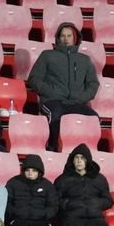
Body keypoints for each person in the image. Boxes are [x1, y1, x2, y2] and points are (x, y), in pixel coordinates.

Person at [28, 22, 98, 151]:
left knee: (94, 118)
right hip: (52, 101)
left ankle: (87, 153)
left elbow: (93, 84)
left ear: (75, 37)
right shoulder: (47, 55)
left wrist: (81, 97)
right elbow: (33, 80)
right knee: (56, 116)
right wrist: (51, 92)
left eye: (69, 36)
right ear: (58, 38)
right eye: (63, 36)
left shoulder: (85, 60)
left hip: (77, 102)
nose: (66, 39)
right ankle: (52, 148)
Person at [54, 143, 111, 226]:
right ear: (72, 160)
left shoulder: (99, 178)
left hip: (95, 217)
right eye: (76, 158)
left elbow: (108, 200)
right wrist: (70, 204)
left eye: (82, 158)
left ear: (87, 160)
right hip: (73, 217)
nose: (79, 161)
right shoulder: (62, 179)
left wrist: (95, 203)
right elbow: (55, 201)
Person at [4, 154, 57, 226]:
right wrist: (14, 214)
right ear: (23, 170)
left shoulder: (47, 185)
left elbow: (53, 205)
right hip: (18, 220)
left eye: (34, 170)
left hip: (41, 221)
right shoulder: (13, 182)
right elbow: (7, 202)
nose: (30, 173)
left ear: (39, 172)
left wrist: (44, 215)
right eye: (27, 170)